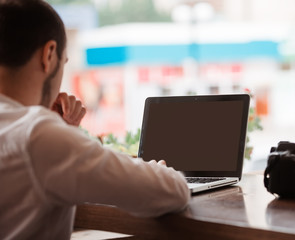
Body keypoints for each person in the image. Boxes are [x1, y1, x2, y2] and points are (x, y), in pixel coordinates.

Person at [0, 0, 190, 239]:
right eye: (64, 63)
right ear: (48, 56)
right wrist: (157, 170)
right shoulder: (37, 134)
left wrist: (64, 131)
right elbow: (173, 191)